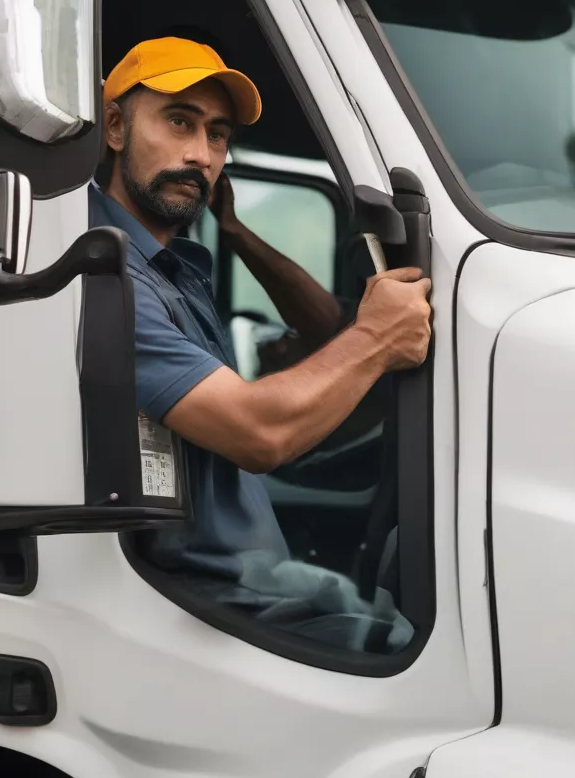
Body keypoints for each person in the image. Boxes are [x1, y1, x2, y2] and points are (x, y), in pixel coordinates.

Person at [89, 36, 431, 652]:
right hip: (202, 608)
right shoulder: (106, 278)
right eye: (178, 122)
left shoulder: (173, 268)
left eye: (217, 136)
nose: (200, 155)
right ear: (115, 127)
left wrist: (235, 232)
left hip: (255, 584)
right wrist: (379, 337)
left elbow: (331, 333)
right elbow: (259, 433)